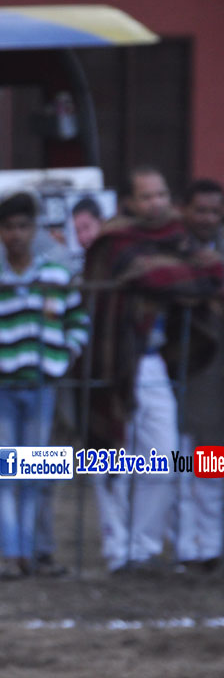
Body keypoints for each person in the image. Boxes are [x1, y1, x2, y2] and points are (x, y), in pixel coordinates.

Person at [83, 166, 222, 573]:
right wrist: (189, 278)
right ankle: (118, 550)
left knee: (163, 457)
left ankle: (142, 547)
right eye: (146, 197)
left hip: (152, 360)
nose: (156, 203)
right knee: (111, 459)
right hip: (113, 359)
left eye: (161, 194)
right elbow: (147, 274)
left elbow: (211, 268)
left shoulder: (176, 236)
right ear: (129, 202)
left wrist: (185, 277)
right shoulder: (114, 241)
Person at [0, 193, 87, 578]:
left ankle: (31, 550)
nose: (16, 235)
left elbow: (78, 321)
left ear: (34, 230)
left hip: (44, 385)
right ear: (0, 232)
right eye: (9, 228)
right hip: (3, 385)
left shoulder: (56, 276)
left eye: (23, 227)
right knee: (6, 472)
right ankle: (13, 554)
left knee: (36, 472)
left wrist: (66, 355)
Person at [172, 179, 224, 571]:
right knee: (181, 461)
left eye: (215, 212)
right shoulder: (172, 250)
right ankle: (190, 545)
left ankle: (208, 543)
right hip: (180, 364)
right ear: (184, 209)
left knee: (210, 459)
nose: (207, 218)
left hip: (213, 366)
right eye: (200, 210)